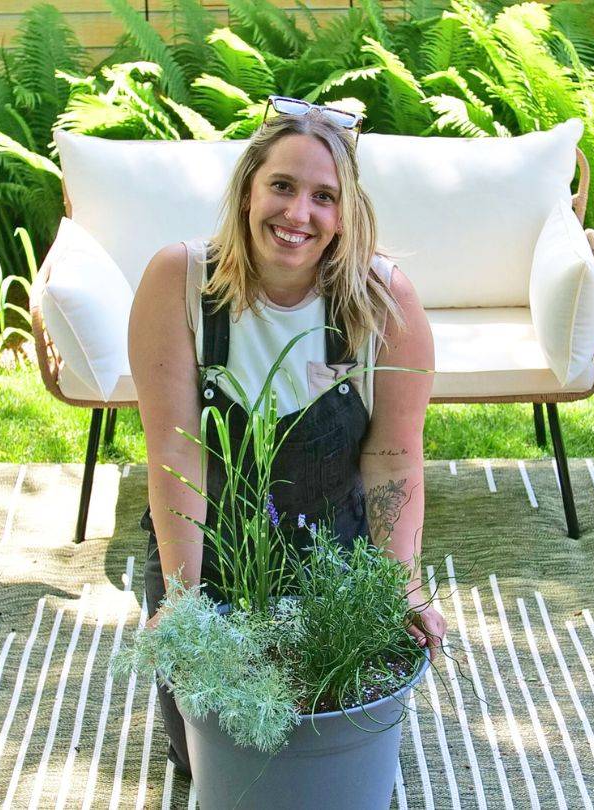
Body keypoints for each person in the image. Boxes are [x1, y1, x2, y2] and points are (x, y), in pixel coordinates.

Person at [128, 98, 447, 776]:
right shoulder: (179, 280)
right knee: (207, 759)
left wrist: (401, 584)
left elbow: (394, 457)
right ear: (249, 188)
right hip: (209, 563)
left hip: (337, 566)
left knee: (329, 742)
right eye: (282, 186)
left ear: (345, 212)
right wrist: (182, 601)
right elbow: (176, 451)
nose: (298, 214)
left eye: (323, 197)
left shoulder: (383, 299)